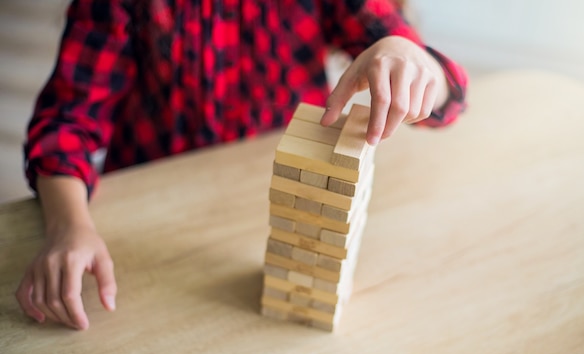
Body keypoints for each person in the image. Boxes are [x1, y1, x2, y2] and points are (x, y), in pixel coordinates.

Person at [16, 0, 468, 330]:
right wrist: (67, 226)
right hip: (160, 202)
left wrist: (413, 58)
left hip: (288, 186)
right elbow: (67, 122)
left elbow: (448, 96)